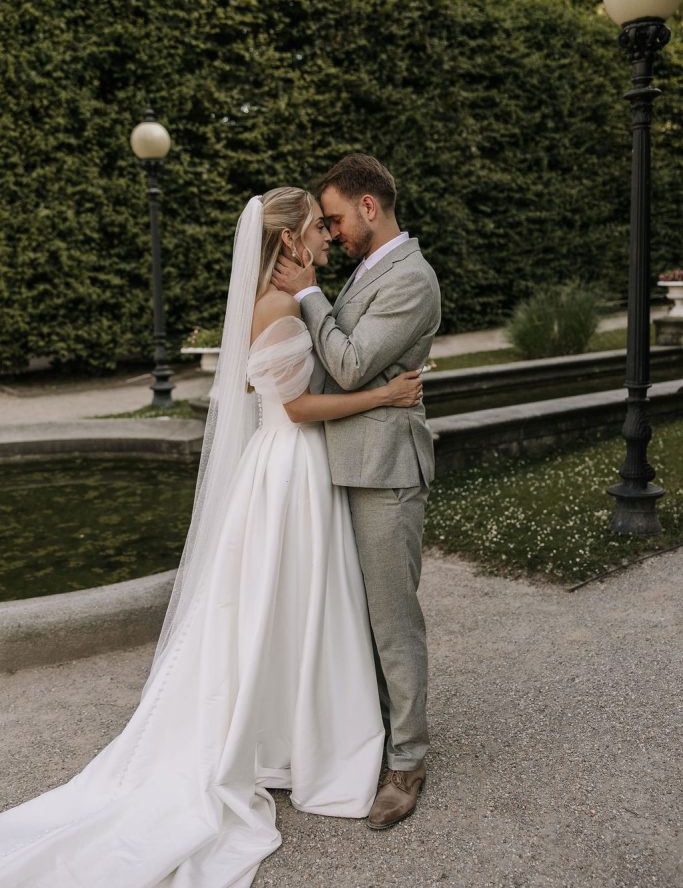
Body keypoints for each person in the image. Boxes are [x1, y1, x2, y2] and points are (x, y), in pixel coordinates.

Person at [0, 187, 426, 888]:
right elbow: (297, 405)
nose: (327, 236)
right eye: (317, 229)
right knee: (297, 601)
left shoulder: (281, 300)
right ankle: (302, 736)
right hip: (291, 463)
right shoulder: (279, 305)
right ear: (288, 241)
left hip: (284, 464)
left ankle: (289, 727)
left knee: (284, 604)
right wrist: (383, 396)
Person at [272, 154, 441, 830]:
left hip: (384, 471)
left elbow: (344, 363)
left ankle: (408, 761)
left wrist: (308, 294)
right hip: (337, 464)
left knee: (391, 622)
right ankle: (365, 737)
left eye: (336, 217)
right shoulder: (368, 271)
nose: (332, 231)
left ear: (369, 208)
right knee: (349, 617)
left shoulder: (413, 281)